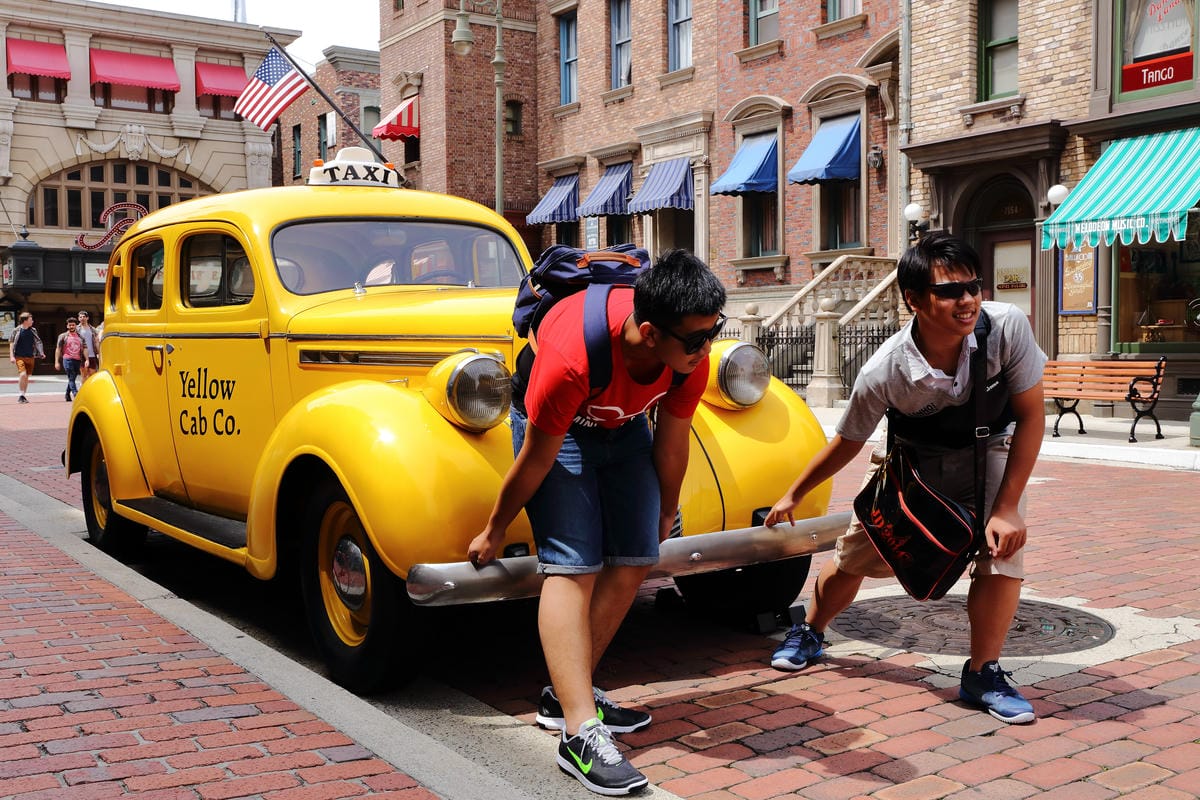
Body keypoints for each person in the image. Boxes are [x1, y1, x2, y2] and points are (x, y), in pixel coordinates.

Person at [468, 250, 727, 795]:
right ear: (650, 332)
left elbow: (673, 438)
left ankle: (564, 693)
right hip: (560, 433)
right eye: (697, 339)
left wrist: (663, 510)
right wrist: (495, 527)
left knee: (636, 559)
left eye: (713, 333)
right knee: (573, 566)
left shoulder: (689, 356)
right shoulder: (570, 361)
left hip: (624, 428)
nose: (707, 348)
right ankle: (580, 732)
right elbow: (536, 459)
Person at [764, 232, 1046, 725]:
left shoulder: (1007, 328)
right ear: (913, 300)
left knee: (1004, 550)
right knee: (856, 555)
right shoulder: (884, 370)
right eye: (950, 291)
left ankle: (983, 671)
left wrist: (1006, 507)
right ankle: (811, 629)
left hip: (990, 450)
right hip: (912, 464)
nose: (968, 300)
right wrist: (794, 492)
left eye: (973, 286)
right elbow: (847, 440)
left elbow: (1031, 416)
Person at [8, 312, 44, 404]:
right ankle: (20, 395)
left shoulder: (33, 330)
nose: (32, 321)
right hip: (19, 356)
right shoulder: (16, 330)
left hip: (30, 356)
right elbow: (11, 344)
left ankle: (23, 395)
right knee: (23, 374)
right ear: (25, 321)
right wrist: (12, 356)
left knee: (27, 377)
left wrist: (41, 352)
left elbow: (38, 342)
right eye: (30, 319)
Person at [55, 317, 85, 401]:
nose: (71, 326)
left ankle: (67, 394)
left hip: (78, 360)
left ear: (76, 326)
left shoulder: (80, 337)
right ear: (67, 326)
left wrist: (87, 359)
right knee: (71, 377)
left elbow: (85, 348)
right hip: (67, 359)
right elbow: (58, 349)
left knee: (72, 377)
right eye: (70, 325)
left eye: (73, 325)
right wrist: (56, 362)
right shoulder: (63, 336)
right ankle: (76, 394)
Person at [76, 310, 99, 380]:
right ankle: (84, 389)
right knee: (84, 374)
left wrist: (98, 353)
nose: (82, 318)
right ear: (78, 319)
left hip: (92, 354)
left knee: (93, 374)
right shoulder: (76, 329)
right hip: (81, 355)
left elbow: (96, 342)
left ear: (87, 318)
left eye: (84, 317)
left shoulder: (93, 329)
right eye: (80, 317)